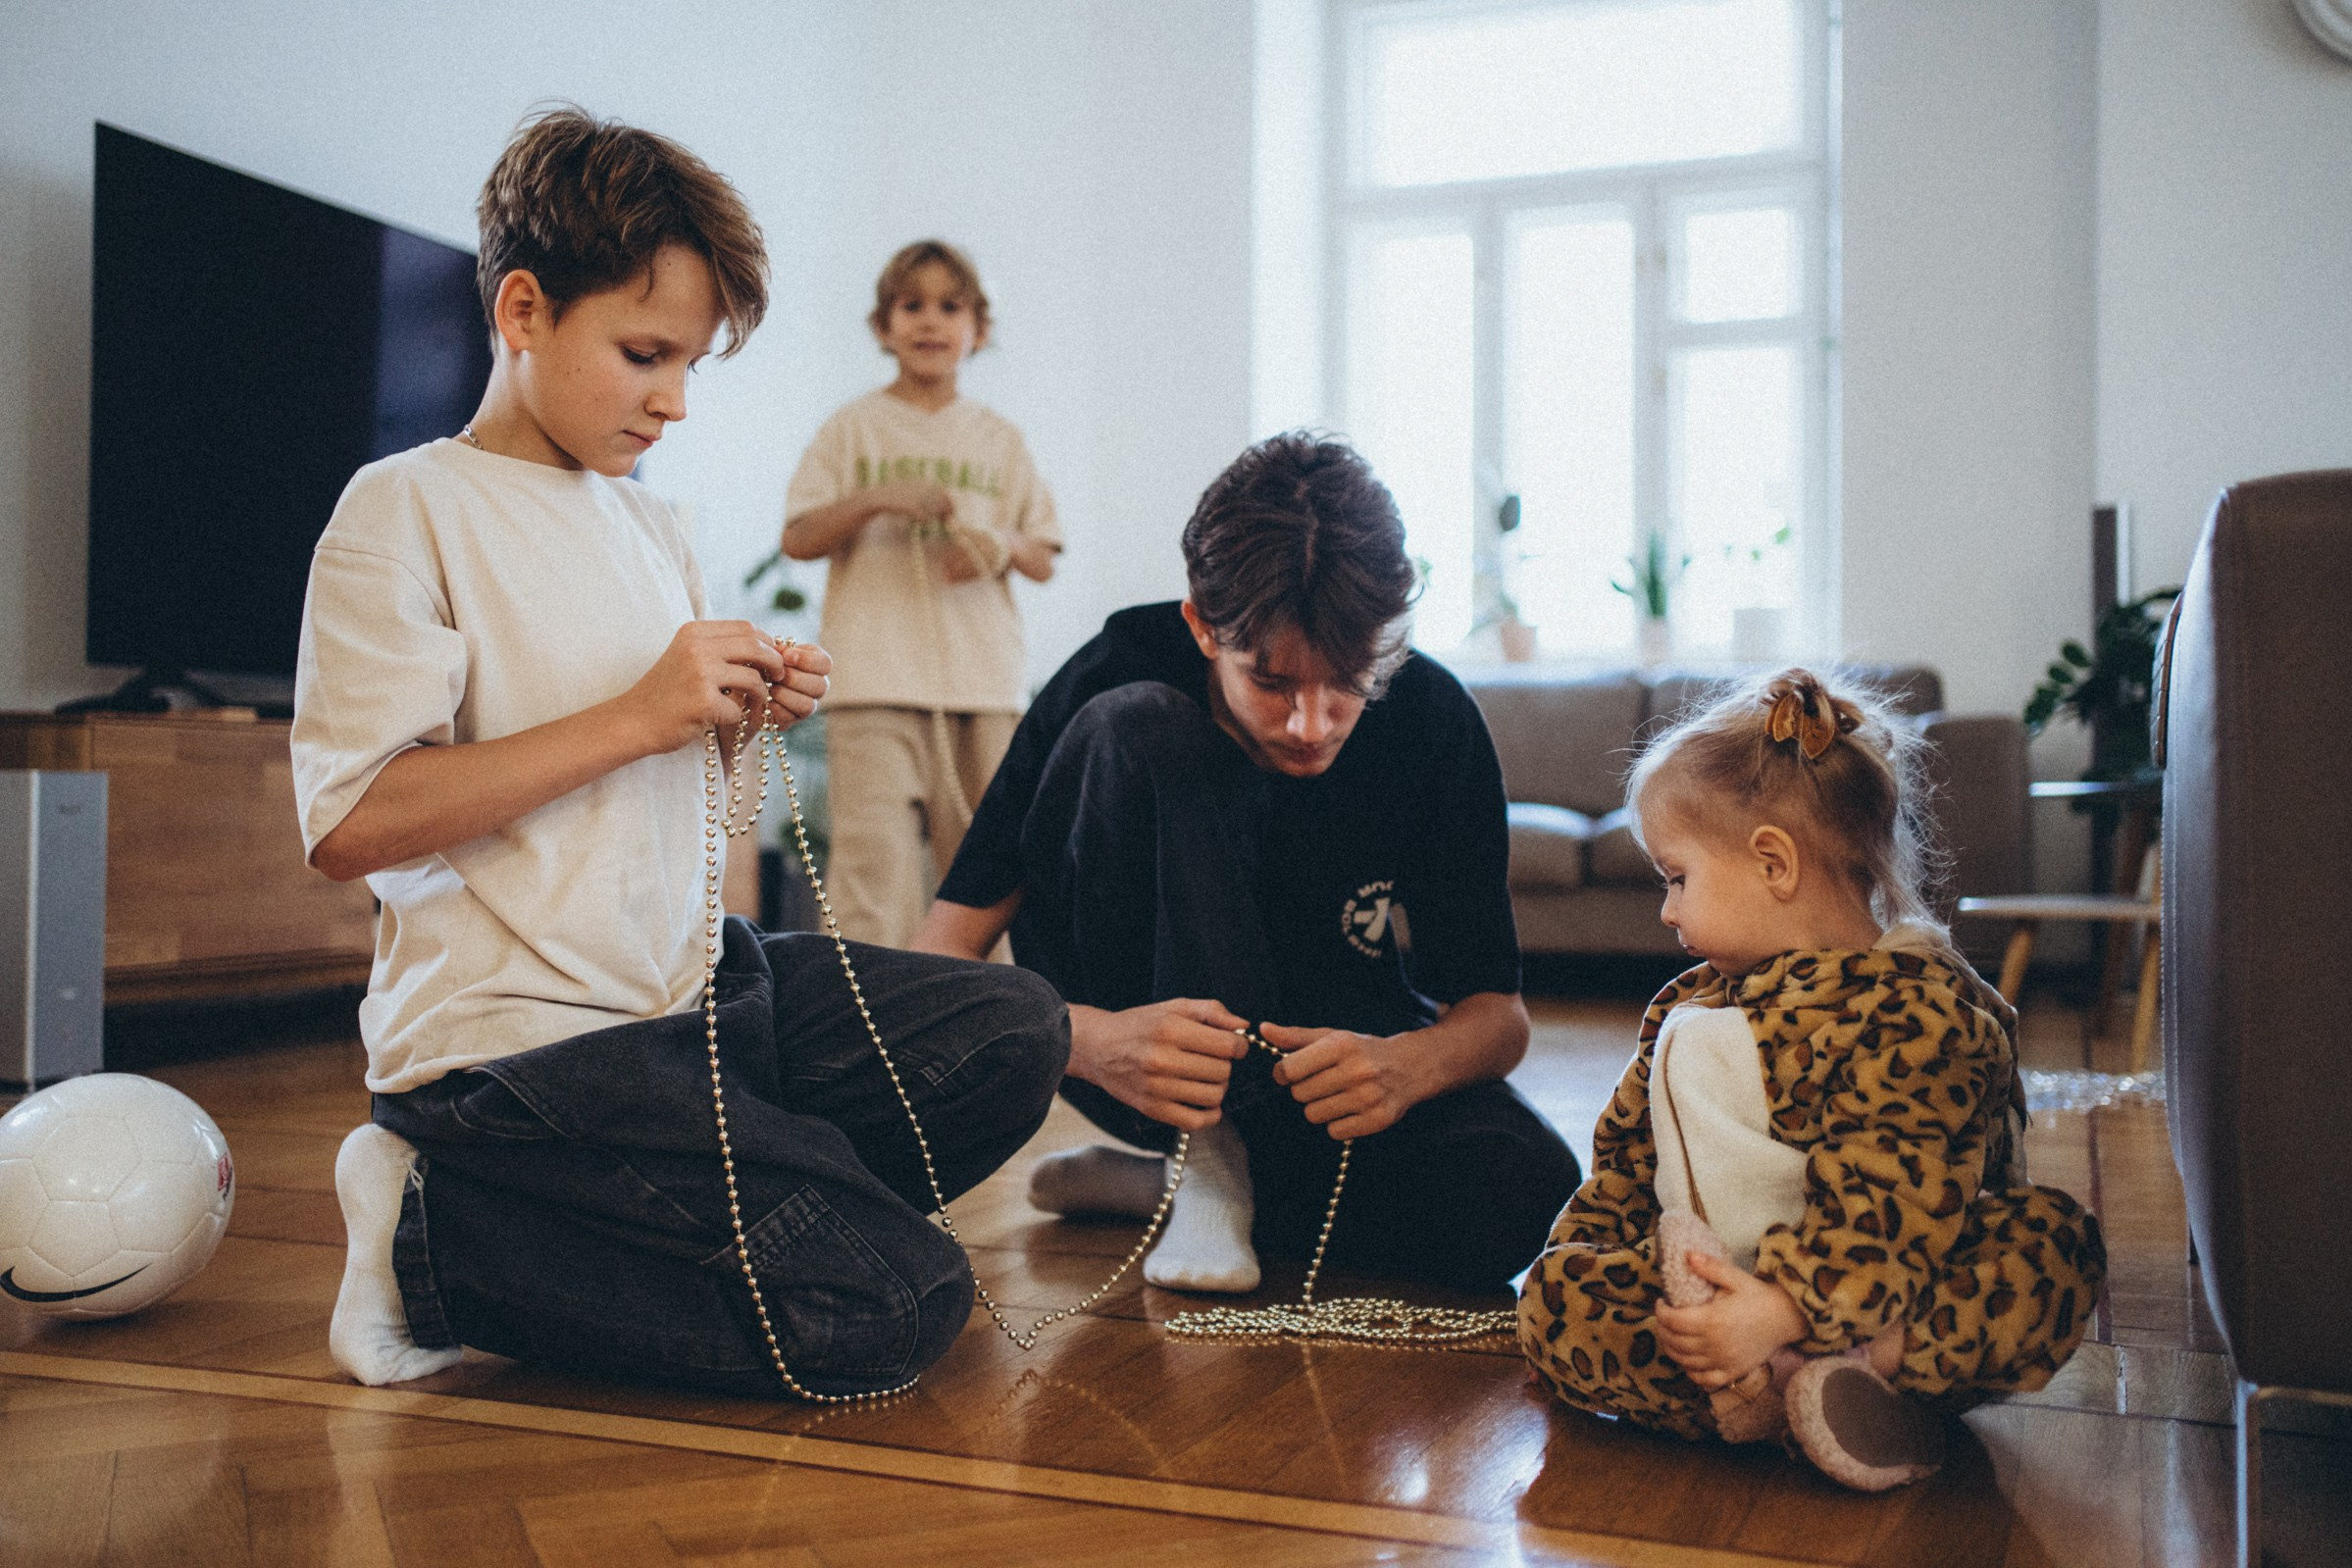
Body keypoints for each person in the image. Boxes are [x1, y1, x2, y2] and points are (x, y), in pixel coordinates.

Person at [292, 109, 1067, 1397]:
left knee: (1014, 1025)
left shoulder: (651, 526)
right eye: (645, 352)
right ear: (524, 310)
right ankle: (434, 1227)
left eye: (693, 362)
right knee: (895, 1304)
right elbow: (352, 820)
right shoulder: (403, 507)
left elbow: (659, 798)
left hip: (693, 992)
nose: (674, 398)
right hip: (524, 1048)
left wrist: (734, 714)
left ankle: (733, 1198)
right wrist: (646, 711)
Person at [913, 432, 1581, 1296]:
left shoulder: (1431, 719)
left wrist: (1407, 1066)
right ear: (1201, 624)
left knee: (1526, 1191)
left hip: (1314, 1053)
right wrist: (1088, 1041)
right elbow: (936, 961)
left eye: (1347, 680)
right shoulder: (1122, 667)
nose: (1312, 723)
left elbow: (1498, 1015)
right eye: (1272, 683)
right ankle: (1204, 1152)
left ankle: (1196, 1185)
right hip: (1137, 1041)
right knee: (1140, 724)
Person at [1515, 670, 2106, 1492]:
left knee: (2051, 1249)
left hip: (1885, 1291)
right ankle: (1780, 1394)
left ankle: (1850, 1372)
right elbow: (1625, 1166)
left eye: (1677, 878)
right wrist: (1580, 1265)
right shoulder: (1686, 1008)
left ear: (1773, 862)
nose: (1666, 910)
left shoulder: (1914, 1005)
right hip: (1720, 1285)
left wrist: (1783, 1308)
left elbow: (1894, 1196)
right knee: (1555, 1295)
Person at [781, 240, 1060, 948]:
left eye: (950, 306)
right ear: (883, 326)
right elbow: (800, 535)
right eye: (911, 305)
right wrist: (878, 498)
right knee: (871, 870)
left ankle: (996, 1033)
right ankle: (860, 1030)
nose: (930, 322)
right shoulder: (851, 428)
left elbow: (1043, 554)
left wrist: (1000, 544)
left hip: (984, 686)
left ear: (980, 329)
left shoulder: (1001, 439)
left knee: (988, 873)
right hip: (872, 682)